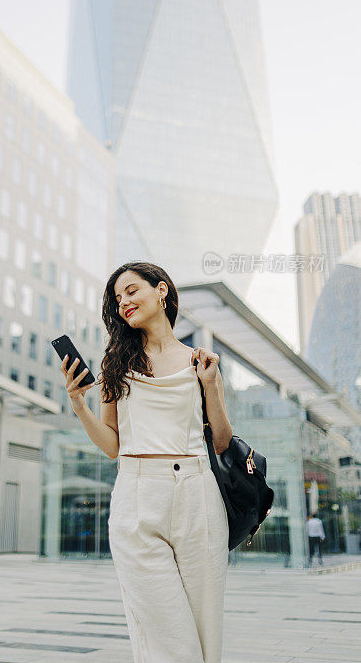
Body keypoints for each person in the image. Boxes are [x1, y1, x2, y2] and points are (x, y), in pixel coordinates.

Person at [60, 261, 233, 663]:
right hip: (138, 496)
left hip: (198, 494)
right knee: (168, 638)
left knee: (207, 635)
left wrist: (212, 386)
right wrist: (78, 404)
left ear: (162, 291)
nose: (123, 303)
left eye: (131, 291)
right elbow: (112, 445)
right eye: (117, 298)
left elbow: (222, 441)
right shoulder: (115, 365)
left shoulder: (199, 362)